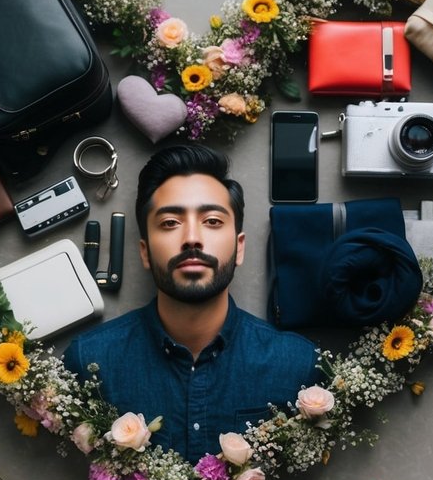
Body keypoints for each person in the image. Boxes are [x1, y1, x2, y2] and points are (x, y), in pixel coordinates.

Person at [62, 143, 320, 460]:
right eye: (170, 223)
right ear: (144, 251)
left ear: (239, 248)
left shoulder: (299, 366)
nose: (192, 238)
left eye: (212, 221)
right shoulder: (89, 363)